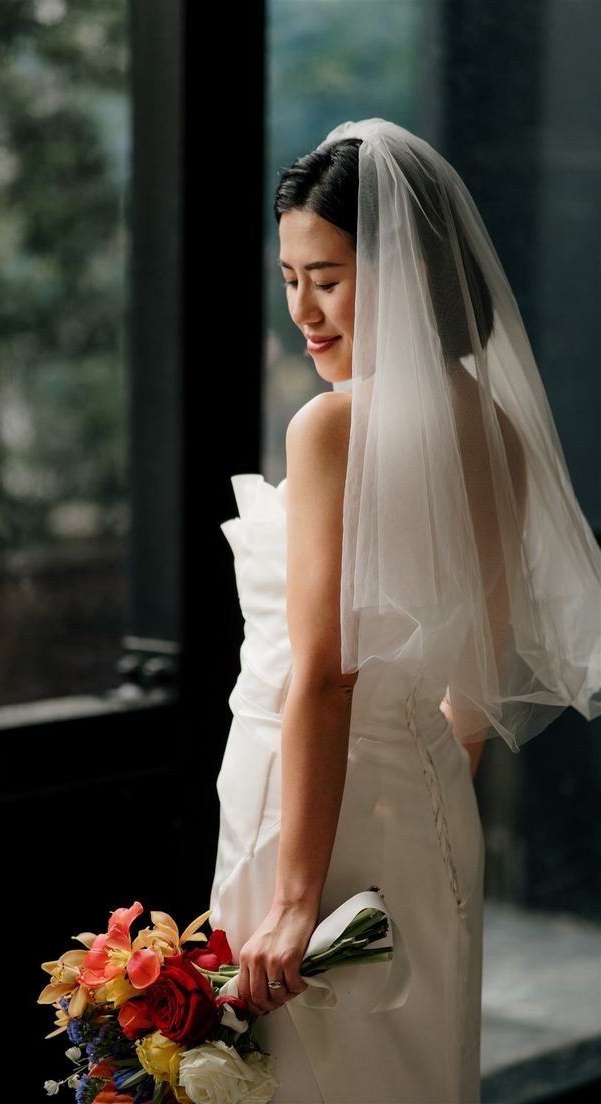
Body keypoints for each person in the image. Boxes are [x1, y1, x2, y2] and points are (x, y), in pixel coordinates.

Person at [208, 118, 601, 1104]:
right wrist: (425, 783)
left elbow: (326, 672)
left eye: (329, 276)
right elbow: (480, 667)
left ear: (406, 270)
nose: (303, 308)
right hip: (427, 812)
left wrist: (298, 898)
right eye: (290, 275)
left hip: (305, 820)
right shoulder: (497, 428)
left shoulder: (331, 426)